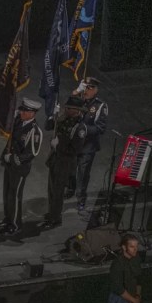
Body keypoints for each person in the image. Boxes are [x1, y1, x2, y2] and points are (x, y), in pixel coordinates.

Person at [0, 98, 43, 236]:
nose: (22, 112)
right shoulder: (18, 122)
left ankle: (15, 224)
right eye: (21, 110)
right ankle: (8, 218)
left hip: (20, 167)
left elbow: (31, 153)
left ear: (32, 113)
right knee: (6, 193)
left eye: (25, 111)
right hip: (9, 165)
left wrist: (11, 158)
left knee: (15, 196)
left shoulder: (34, 131)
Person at [41, 96, 87, 230]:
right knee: (51, 189)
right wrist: (52, 115)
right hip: (55, 158)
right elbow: (48, 126)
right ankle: (52, 213)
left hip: (65, 162)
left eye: (69, 108)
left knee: (57, 191)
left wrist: (58, 145)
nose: (66, 109)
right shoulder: (63, 118)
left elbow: (75, 150)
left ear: (77, 110)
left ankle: (55, 219)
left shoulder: (79, 128)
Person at [67, 77, 107, 211]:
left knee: (83, 174)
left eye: (90, 88)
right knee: (71, 169)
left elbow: (101, 128)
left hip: (87, 146)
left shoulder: (100, 106)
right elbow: (68, 107)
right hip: (73, 144)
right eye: (86, 87)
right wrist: (77, 91)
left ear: (96, 90)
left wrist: (84, 129)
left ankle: (81, 198)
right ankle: (70, 189)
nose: (87, 91)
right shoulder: (79, 99)